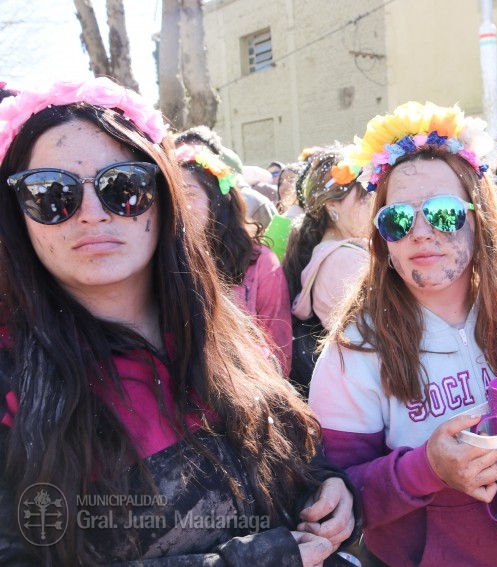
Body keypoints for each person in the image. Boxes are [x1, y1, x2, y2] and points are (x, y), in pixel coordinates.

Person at [0, 77, 358, 565]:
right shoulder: (12, 382)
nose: (90, 215)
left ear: (162, 196)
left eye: (122, 186)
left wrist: (324, 483)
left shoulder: (217, 328)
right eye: (51, 194)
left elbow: (289, 451)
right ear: (17, 215)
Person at [308, 101, 497, 566]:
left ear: (479, 218)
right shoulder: (357, 347)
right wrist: (426, 468)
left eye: (445, 213)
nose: (421, 232)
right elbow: (338, 495)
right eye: (397, 220)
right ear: (381, 239)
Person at [175, 142, 293, 375]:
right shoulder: (160, 260)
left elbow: (279, 352)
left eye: (188, 193)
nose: (179, 205)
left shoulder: (260, 264)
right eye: (173, 195)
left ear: (216, 200)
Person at [282, 146, 372, 392]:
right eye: (364, 197)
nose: (372, 204)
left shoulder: (335, 253)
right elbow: (376, 336)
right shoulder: (344, 261)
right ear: (333, 206)